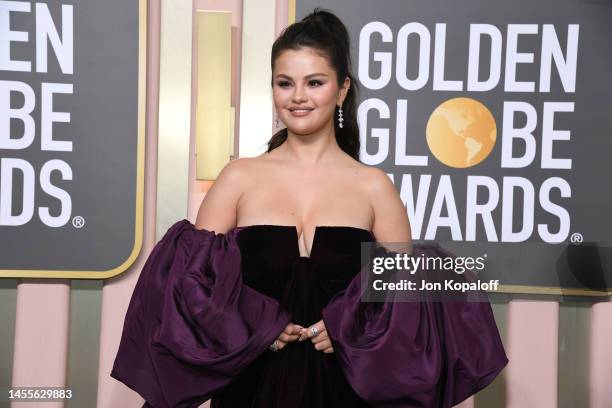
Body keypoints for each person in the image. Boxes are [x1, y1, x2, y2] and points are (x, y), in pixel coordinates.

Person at [111, 8, 508, 408]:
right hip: (250, 390)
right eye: (285, 83)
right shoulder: (238, 178)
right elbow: (193, 292)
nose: (298, 97)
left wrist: (346, 328)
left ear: (342, 90)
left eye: (314, 82)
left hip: (345, 392)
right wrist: (257, 324)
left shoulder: (374, 187)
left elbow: (405, 308)